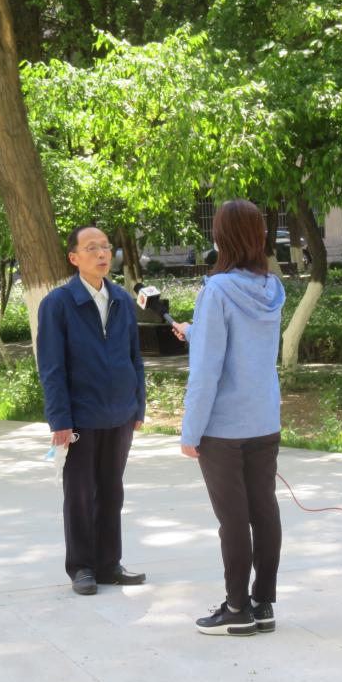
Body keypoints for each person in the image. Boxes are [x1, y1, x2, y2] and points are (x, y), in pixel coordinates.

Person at [174, 199, 286, 636]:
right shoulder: (271, 288)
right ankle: (263, 603)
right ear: (258, 236)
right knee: (264, 510)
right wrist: (195, 332)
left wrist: (191, 430)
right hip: (264, 419)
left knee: (233, 519)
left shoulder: (216, 290)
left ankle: (236, 608)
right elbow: (244, 348)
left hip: (223, 428)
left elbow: (207, 371)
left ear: (221, 237)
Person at [37, 225, 147, 596]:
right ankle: (82, 566)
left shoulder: (122, 300)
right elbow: (51, 368)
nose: (101, 254)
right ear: (74, 258)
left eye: (105, 247)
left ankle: (109, 564)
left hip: (120, 414)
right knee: (80, 494)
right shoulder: (58, 304)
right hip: (80, 417)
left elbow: (135, 357)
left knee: (112, 492)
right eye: (91, 248)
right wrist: (60, 420)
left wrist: (138, 406)